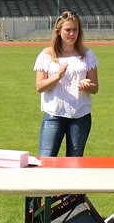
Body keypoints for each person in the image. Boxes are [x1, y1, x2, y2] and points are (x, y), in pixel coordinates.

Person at [34, 11, 99, 157]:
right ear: (58, 31)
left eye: (75, 29)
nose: (72, 33)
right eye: (68, 30)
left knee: (74, 162)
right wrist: (57, 77)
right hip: (54, 115)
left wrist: (88, 85)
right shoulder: (47, 55)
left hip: (80, 116)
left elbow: (95, 88)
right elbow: (39, 86)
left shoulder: (87, 55)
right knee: (46, 160)